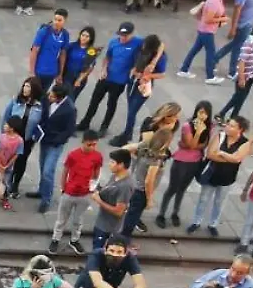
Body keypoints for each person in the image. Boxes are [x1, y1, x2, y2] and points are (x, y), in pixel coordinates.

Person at [190, 116, 252, 237]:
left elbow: (238, 159)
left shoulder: (245, 142)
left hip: (227, 177)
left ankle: (213, 224)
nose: (228, 127)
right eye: (228, 124)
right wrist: (231, 158)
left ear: (240, 130)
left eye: (232, 126)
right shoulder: (220, 136)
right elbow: (210, 154)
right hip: (211, 175)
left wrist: (222, 153)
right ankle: (196, 222)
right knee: (203, 199)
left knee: (220, 201)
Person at [120, 107, 178, 238]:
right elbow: (149, 180)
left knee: (131, 214)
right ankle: (123, 240)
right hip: (141, 191)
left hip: (134, 184)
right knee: (132, 218)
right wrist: (150, 198)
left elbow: (125, 148)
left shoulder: (145, 148)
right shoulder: (156, 159)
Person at [77, 22, 142, 136]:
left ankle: (104, 127)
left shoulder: (137, 42)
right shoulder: (114, 42)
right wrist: (104, 69)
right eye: (121, 35)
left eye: (126, 36)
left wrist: (136, 68)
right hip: (106, 77)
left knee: (111, 103)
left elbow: (157, 44)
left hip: (119, 81)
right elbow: (107, 57)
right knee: (94, 100)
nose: (123, 38)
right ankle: (85, 122)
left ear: (131, 34)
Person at [156, 102, 212, 229]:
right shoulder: (188, 126)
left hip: (195, 162)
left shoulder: (210, 126)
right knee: (172, 188)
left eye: (205, 113)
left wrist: (191, 144)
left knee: (182, 189)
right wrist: (198, 133)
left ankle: (175, 212)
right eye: (200, 112)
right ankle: (161, 214)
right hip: (181, 161)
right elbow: (191, 145)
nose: (202, 115)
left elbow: (204, 144)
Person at [48, 130, 102, 254]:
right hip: (70, 192)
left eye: (94, 144)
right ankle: (56, 238)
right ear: (83, 142)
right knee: (62, 218)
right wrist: (63, 187)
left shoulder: (97, 156)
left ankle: (74, 240)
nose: (92, 147)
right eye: (89, 145)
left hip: (84, 193)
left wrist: (92, 186)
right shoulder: (73, 155)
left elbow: (96, 171)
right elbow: (65, 171)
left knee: (78, 220)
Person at [112, 34, 168, 147]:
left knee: (132, 111)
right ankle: (128, 132)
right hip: (133, 81)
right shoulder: (141, 47)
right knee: (130, 109)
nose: (143, 46)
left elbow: (162, 74)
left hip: (143, 85)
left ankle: (127, 134)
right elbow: (162, 44)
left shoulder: (160, 58)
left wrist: (149, 75)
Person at [32, 82, 78, 212]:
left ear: (60, 97)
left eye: (52, 97)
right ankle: (42, 190)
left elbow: (69, 130)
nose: (49, 98)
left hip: (55, 143)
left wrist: (58, 140)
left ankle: (46, 199)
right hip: (44, 139)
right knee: (42, 166)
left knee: (48, 170)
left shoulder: (69, 109)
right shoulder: (47, 100)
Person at [219, 20, 253, 121]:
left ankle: (229, 117)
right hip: (244, 76)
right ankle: (226, 116)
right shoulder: (249, 42)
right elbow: (242, 61)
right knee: (239, 98)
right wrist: (241, 78)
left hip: (252, 76)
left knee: (240, 98)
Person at [0, 77, 42, 200]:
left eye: (28, 87)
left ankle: (15, 184)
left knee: (21, 161)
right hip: (12, 136)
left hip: (27, 139)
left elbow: (41, 123)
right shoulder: (16, 101)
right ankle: (2, 182)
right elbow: (6, 116)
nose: (25, 89)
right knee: (6, 159)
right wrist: (3, 133)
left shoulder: (39, 106)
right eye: (24, 86)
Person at [177, 0, 229, 83]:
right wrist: (222, 19)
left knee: (195, 50)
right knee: (210, 53)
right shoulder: (214, 2)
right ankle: (210, 77)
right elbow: (208, 19)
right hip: (207, 31)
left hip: (204, 29)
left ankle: (184, 69)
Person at [90, 148, 136, 249]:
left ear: (121, 165)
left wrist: (98, 200)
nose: (109, 164)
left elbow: (119, 211)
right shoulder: (115, 176)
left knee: (99, 252)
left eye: (112, 162)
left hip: (109, 228)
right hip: (102, 222)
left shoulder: (125, 186)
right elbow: (109, 192)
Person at [214, 0, 253, 80]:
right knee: (238, 47)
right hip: (244, 24)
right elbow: (237, 9)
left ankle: (215, 58)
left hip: (252, 22)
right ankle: (232, 72)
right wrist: (233, 28)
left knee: (236, 44)